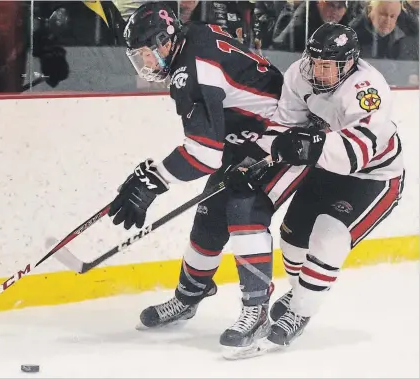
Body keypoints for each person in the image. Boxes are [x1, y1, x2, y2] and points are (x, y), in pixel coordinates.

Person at [108, 2, 309, 359]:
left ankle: (257, 310)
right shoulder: (195, 36)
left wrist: (152, 180)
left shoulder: (191, 71)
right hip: (248, 135)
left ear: (165, 41)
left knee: (244, 209)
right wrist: (151, 178)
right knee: (209, 216)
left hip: (283, 138)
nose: (146, 65)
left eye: (146, 55)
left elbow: (204, 154)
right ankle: (188, 298)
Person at [255, 22, 404, 354]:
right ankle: (300, 292)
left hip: (375, 176)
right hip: (326, 166)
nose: (319, 71)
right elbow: (281, 126)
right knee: (292, 238)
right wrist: (267, 153)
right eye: (316, 61)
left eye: (329, 65)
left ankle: (300, 312)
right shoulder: (300, 74)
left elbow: (353, 157)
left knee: (327, 237)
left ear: (349, 63)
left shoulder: (368, 91)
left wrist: (308, 144)